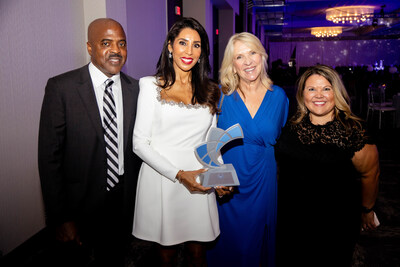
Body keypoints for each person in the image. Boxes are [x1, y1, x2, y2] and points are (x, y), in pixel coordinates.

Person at [38, 18, 141, 266]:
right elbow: (49, 158)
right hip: (79, 206)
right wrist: (61, 218)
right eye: (106, 43)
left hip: (123, 203)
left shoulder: (137, 90)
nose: (116, 50)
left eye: (122, 43)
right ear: (89, 47)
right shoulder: (62, 88)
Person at [132, 17, 221, 266]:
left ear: (202, 52)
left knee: (197, 253)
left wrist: (220, 176)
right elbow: (139, 142)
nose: (189, 51)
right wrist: (180, 174)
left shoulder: (210, 90)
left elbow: (211, 143)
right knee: (166, 255)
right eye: (183, 43)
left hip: (201, 177)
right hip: (163, 178)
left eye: (197, 45)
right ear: (170, 46)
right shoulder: (150, 86)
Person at [275, 64, 380, 266]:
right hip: (291, 217)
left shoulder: (353, 131)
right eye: (311, 89)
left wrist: (367, 210)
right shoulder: (291, 125)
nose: (318, 95)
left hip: (334, 221)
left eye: (326, 88)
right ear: (302, 94)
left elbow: (370, 174)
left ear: (336, 93)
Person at [207, 32, 289, 267]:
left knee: (258, 244)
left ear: (262, 55)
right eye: (239, 57)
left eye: (252, 53)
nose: (248, 61)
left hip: (264, 180)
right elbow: (211, 143)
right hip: (228, 183)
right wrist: (216, 179)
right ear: (232, 65)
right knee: (228, 241)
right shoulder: (220, 97)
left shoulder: (279, 97)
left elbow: (280, 137)